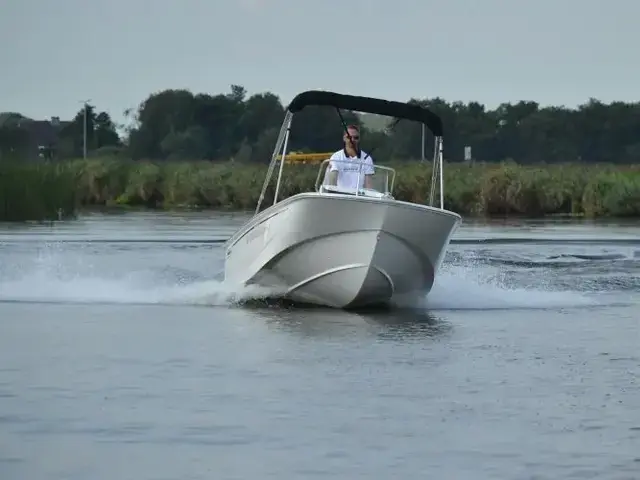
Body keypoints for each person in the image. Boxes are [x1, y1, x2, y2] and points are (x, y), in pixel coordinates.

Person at [326, 125, 375, 190]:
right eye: (349, 137)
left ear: (359, 139)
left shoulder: (367, 158)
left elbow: (368, 185)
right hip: (340, 196)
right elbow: (333, 181)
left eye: (356, 137)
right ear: (344, 138)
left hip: (359, 197)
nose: (352, 140)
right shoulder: (336, 157)